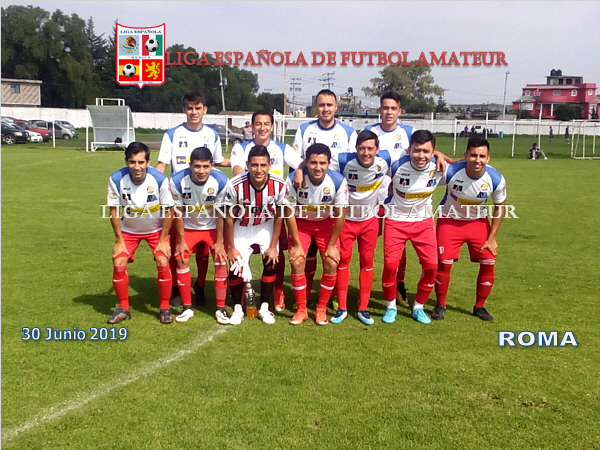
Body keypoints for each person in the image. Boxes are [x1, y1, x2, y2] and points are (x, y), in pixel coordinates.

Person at [155, 90, 229, 309]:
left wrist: (242, 162)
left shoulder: (212, 134)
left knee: (204, 250)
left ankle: (200, 286)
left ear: (204, 110)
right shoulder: (172, 134)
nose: (194, 112)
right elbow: (162, 164)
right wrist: (153, 184)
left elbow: (217, 161)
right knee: (178, 246)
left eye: (198, 108)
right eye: (190, 108)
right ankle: (177, 289)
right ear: (184, 109)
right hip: (180, 197)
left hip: (204, 198)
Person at [231, 110, 303, 312]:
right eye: (258, 124)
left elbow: (301, 163)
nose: (262, 128)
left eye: (266, 124)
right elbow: (237, 170)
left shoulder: (281, 148)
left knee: (276, 254)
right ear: (252, 126)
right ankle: (242, 292)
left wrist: (298, 171)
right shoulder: (241, 147)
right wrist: (254, 186)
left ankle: (278, 292)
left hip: (273, 210)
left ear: (272, 127)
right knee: (238, 255)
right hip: (247, 208)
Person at [432, 137, 507, 322]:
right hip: (449, 221)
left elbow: (500, 207)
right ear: (465, 156)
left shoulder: (496, 179)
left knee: (489, 261)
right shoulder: (451, 171)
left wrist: (492, 237)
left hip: (477, 223)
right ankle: (440, 304)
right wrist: (437, 153)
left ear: (488, 158)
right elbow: (422, 161)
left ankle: (480, 306)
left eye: (482, 156)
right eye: (473, 155)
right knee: (444, 263)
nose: (477, 160)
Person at [292, 89, 357, 299]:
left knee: (334, 255)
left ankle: (334, 298)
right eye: (321, 105)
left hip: (334, 198)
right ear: (316, 107)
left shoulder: (348, 132)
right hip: (308, 197)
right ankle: (306, 295)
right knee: (307, 253)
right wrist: (300, 170)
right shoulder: (304, 129)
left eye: (329, 105)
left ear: (336, 107)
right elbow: (296, 161)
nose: (325, 109)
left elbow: (356, 163)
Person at [382, 130, 447, 325]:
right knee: (390, 266)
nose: (421, 155)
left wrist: (440, 156)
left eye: (426, 151)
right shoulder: (395, 164)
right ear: (409, 149)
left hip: (423, 223)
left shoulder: (440, 168)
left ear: (433, 151)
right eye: (417, 150)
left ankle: (418, 306)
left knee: (431, 267)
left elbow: (466, 168)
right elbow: (370, 159)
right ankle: (391, 306)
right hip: (395, 221)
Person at [106, 142, 175, 324]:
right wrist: (119, 240)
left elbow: (169, 210)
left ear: (148, 162)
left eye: (141, 162)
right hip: (129, 230)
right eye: (132, 162)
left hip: (156, 229)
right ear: (126, 162)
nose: (136, 167)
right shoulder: (116, 178)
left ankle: (165, 307)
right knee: (118, 262)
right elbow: (114, 210)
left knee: (162, 260)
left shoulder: (159, 179)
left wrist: (163, 240)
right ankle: (123, 308)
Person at [283, 143, 348, 325]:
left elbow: (340, 215)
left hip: (326, 225)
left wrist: (332, 245)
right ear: (306, 162)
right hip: (301, 224)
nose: (317, 167)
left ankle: (321, 309)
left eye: (322, 163)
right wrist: (297, 245)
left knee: (331, 261)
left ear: (328, 163)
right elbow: (289, 212)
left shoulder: (338, 181)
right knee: (297, 261)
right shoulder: (293, 179)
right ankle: (301, 309)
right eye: (313, 163)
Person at [223, 145, 286, 325]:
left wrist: (273, 246)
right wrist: (231, 247)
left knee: (271, 260)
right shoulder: (235, 184)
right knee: (236, 264)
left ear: (270, 164)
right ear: (248, 165)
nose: (259, 170)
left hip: (265, 225)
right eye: (255, 165)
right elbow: (228, 217)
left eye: (263, 165)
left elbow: (280, 215)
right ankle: (237, 307)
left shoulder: (279, 184)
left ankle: (264, 307)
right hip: (242, 225)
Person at [334, 130, 391, 325]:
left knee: (367, 262)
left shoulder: (386, 160)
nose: (366, 153)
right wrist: (300, 170)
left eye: (370, 149)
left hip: (370, 221)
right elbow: (316, 162)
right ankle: (342, 307)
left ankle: (363, 308)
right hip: (346, 222)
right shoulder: (343, 160)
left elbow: (412, 155)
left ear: (377, 149)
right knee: (343, 261)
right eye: (362, 148)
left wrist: (438, 154)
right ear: (355, 148)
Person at [171, 147, 229, 324]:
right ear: (190, 165)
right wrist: (181, 241)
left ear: (212, 165)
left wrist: (220, 241)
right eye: (197, 166)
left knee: (220, 259)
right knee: (181, 258)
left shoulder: (221, 181)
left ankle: (221, 309)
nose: (201, 171)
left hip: (212, 227)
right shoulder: (177, 180)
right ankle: (187, 307)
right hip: (189, 227)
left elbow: (220, 213)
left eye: (205, 166)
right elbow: (178, 213)